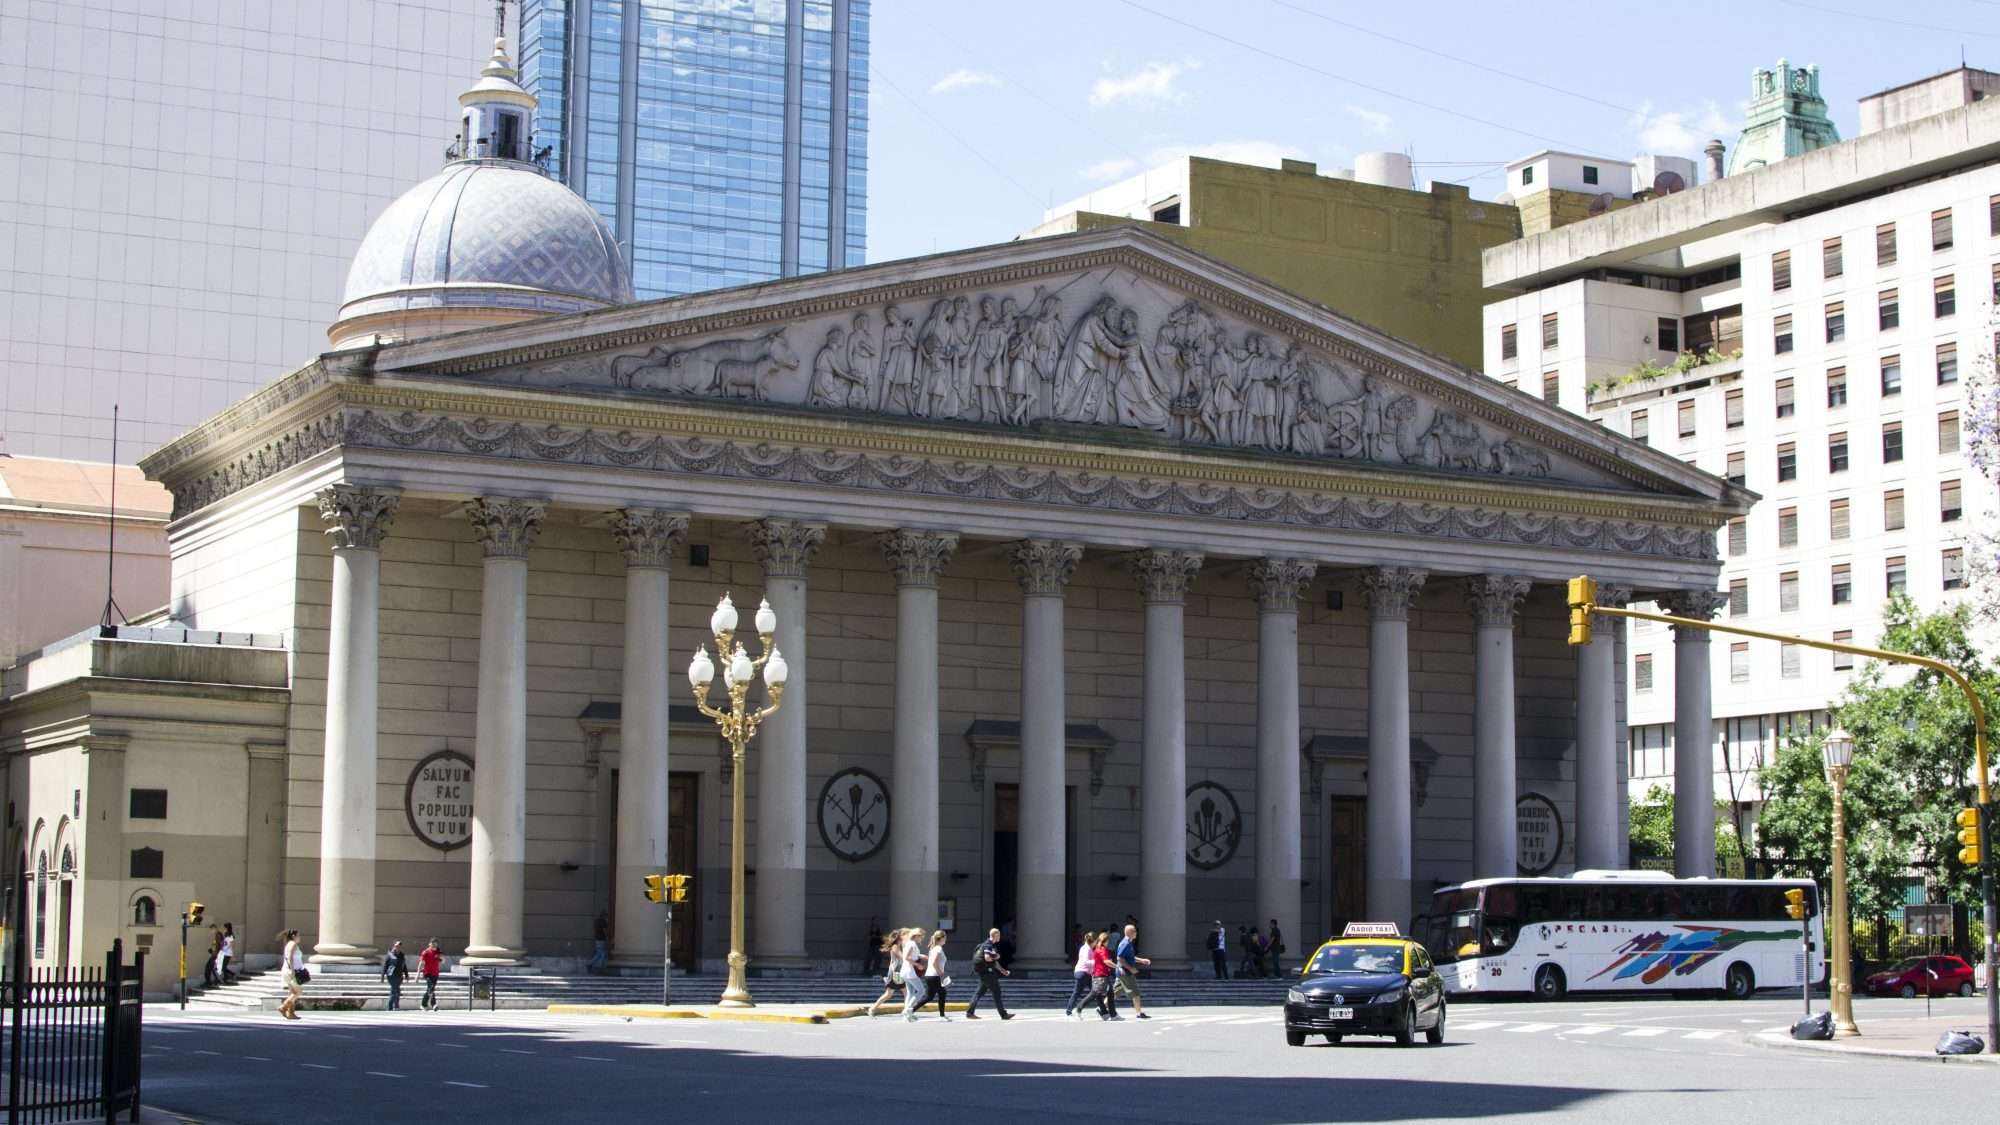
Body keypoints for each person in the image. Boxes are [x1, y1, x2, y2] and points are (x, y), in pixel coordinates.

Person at [966, 927, 1013, 1020]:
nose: (1000, 936)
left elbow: (993, 962)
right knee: (997, 992)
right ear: (995, 935)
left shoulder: (988, 944)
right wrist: (996, 956)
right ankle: (1003, 1014)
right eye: (999, 934)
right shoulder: (988, 945)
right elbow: (987, 958)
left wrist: (1003, 970)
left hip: (983, 971)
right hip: (987, 972)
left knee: (979, 992)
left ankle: (970, 1012)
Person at [1114, 923, 1151, 1020]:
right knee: (1135, 992)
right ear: (1129, 932)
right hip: (1125, 972)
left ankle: (1102, 1007)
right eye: (1134, 931)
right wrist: (1131, 968)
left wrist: (1141, 960)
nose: (1136, 932)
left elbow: (1130, 957)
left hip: (1122, 972)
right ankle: (1139, 1013)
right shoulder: (1125, 943)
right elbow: (1120, 958)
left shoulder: (1128, 942)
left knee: (1115, 992)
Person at [865, 927, 905, 1017]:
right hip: (896, 972)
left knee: (890, 993)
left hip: (896, 972)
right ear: (898, 938)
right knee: (903, 992)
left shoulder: (897, 946)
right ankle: (907, 1011)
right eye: (902, 937)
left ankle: (872, 1009)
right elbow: (902, 957)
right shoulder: (895, 947)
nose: (903, 939)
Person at [918, 930, 951, 1020]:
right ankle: (942, 1015)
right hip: (934, 975)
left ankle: (911, 1010)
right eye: (945, 937)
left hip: (930, 975)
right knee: (942, 993)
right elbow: (934, 962)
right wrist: (940, 972)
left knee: (929, 996)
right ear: (942, 938)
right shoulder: (938, 948)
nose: (946, 940)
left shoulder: (934, 948)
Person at [1088, 932, 1120, 1020]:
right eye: (1107, 941)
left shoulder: (1098, 949)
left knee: (1107, 993)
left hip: (1101, 974)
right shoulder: (1102, 949)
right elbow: (1106, 961)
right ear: (1104, 941)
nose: (1108, 943)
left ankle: (1109, 1013)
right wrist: (1117, 966)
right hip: (1102, 975)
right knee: (1097, 994)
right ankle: (1080, 1007)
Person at [1063, 930, 1095, 1018]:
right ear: (1093, 941)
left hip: (1085, 973)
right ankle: (1070, 1010)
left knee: (1094, 991)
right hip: (1083, 973)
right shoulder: (1086, 949)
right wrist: (1096, 962)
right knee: (1090, 992)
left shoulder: (1086, 948)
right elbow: (1086, 962)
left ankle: (1103, 1010)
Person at [900, 928, 929, 1021]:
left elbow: (912, 956)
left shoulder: (909, 943)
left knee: (910, 992)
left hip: (906, 971)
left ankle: (907, 1015)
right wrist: (918, 964)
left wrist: (921, 956)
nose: (922, 938)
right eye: (921, 936)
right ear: (916, 936)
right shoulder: (912, 944)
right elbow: (907, 957)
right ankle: (908, 1009)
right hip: (910, 972)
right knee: (921, 990)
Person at [278, 930, 305, 1020]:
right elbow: (289, 957)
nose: (299, 937)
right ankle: (284, 1007)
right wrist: (292, 970)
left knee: (292, 992)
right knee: (298, 992)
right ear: (294, 936)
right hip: (291, 970)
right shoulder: (292, 944)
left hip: (288, 969)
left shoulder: (289, 944)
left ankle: (291, 1013)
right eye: (298, 935)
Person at [381, 940, 408, 1011]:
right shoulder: (389, 955)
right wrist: (382, 976)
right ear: (394, 946)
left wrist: (406, 975)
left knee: (397, 990)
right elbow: (385, 966)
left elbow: (404, 965)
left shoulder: (402, 955)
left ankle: (396, 1006)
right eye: (397, 946)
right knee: (394, 990)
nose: (398, 947)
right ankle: (390, 1006)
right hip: (391, 975)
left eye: (399, 946)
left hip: (399, 975)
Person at [418, 938, 443, 1011]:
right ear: (430, 944)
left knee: (430, 989)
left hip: (435, 973)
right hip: (427, 973)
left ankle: (423, 1004)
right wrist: (417, 975)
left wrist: (440, 957)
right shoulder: (426, 952)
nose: (434, 944)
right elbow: (421, 963)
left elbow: (443, 961)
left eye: (435, 943)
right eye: (433, 943)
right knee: (431, 988)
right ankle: (434, 1004)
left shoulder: (438, 952)